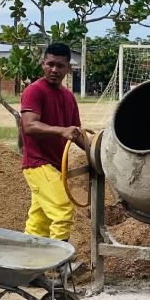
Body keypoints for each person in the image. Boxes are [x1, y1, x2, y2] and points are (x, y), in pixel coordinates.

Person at [20, 43, 88, 242]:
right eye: (50, 64)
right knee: (62, 209)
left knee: (39, 223)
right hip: (37, 163)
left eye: (60, 65)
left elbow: (76, 133)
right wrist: (61, 131)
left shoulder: (68, 97)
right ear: (43, 64)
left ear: (69, 68)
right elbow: (29, 126)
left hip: (57, 165)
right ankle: (59, 268)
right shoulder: (35, 91)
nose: (54, 70)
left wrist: (98, 153)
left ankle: (28, 263)